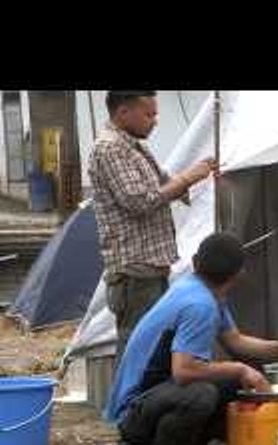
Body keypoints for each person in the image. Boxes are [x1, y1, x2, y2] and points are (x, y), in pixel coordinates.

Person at [104, 233, 278, 445]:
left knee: (237, 383)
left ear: (194, 262)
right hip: (135, 414)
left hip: (157, 398)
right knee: (202, 393)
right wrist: (239, 369)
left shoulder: (201, 290)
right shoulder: (199, 304)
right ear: (238, 275)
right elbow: (183, 371)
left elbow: (235, 340)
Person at [89, 91, 218, 361]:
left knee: (149, 346)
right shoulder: (110, 148)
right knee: (137, 348)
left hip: (150, 267)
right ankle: (124, 404)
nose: (155, 121)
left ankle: (138, 402)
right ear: (123, 112)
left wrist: (199, 176)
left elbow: (163, 182)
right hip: (135, 272)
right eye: (149, 114)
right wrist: (187, 177)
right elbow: (139, 201)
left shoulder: (134, 146)